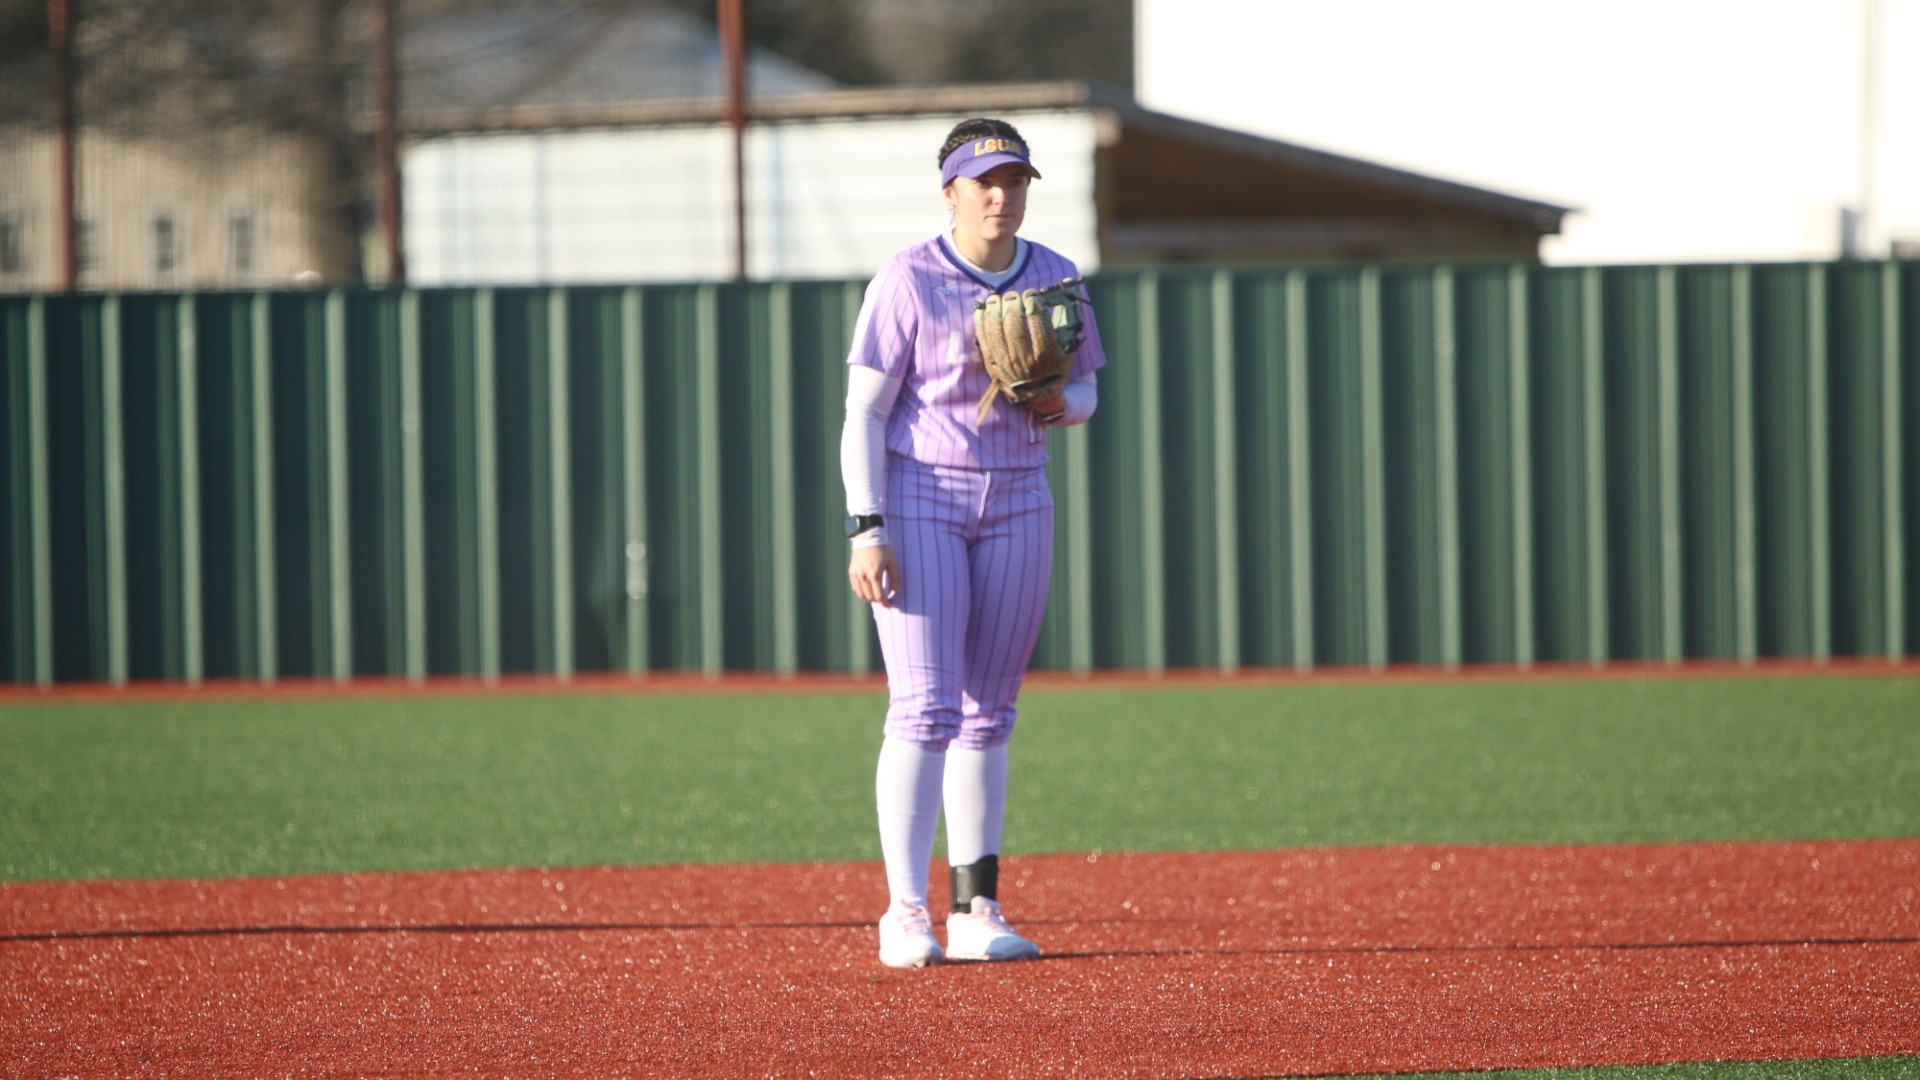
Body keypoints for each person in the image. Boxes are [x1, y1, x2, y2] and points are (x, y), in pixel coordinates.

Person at [840, 117, 1105, 968]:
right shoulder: (909, 277)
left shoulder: (1058, 274)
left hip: (1021, 499)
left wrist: (1065, 404)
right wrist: (866, 525)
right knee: (925, 708)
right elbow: (864, 415)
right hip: (923, 497)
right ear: (949, 191)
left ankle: (977, 907)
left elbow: (1091, 391)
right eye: (984, 180)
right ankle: (904, 912)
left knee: (990, 716)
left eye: (1016, 179)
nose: (1002, 194)